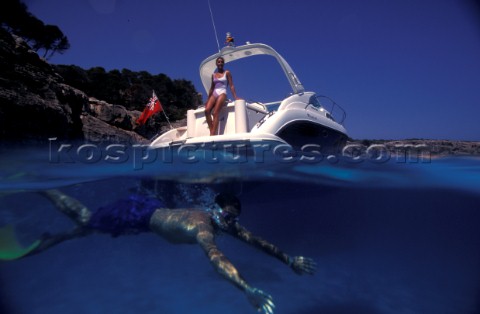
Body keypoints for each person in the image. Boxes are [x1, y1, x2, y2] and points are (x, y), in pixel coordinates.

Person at [10, 190, 316, 314]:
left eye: (233, 219)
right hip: (136, 215)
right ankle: (45, 190)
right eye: (226, 218)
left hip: (148, 213)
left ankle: (55, 237)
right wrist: (246, 288)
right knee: (86, 220)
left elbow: (256, 240)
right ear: (215, 210)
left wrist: (289, 260)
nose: (230, 224)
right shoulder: (203, 227)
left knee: (84, 230)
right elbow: (215, 257)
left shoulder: (225, 224)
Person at [204, 56, 239, 136]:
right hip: (214, 93)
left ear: (223, 63)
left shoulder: (227, 73)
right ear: (216, 64)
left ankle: (212, 133)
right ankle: (212, 130)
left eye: (221, 62)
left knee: (215, 112)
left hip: (222, 93)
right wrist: (208, 99)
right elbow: (212, 88)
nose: (220, 63)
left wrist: (235, 97)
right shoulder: (213, 75)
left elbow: (231, 85)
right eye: (219, 62)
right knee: (207, 111)